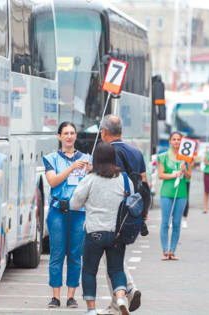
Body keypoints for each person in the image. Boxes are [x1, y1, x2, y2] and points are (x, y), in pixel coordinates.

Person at [70, 142, 133, 315]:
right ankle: (121, 296)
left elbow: (74, 204)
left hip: (94, 232)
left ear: (96, 159)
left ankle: (91, 309)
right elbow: (131, 201)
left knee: (89, 271)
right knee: (116, 269)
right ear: (113, 158)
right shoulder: (124, 179)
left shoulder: (90, 179)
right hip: (117, 232)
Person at [98, 115, 144, 315]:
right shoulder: (136, 151)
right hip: (133, 209)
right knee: (117, 253)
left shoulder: (107, 152)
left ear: (104, 132)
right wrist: (142, 213)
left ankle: (126, 293)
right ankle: (121, 297)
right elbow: (144, 183)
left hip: (112, 211)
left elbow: (104, 182)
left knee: (112, 256)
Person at [43, 121, 91, 308]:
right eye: (65, 133)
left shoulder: (87, 158)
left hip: (79, 212)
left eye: (72, 133)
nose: (69, 136)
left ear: (76, 136)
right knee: (57, 254)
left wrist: (89, 171)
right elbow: (53, 181)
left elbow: (91, 184)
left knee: (75, 255)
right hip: (58, 212)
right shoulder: (51, 158)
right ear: (59, 136)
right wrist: (72, 168)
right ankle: (55, 296)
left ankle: (71, 295)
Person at [158, 132, 192, 261]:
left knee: (177, 222)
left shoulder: (186, 157)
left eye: (179, 139)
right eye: (174, 139)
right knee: (165, 222)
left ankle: (172, 251)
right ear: (170, 141)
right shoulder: (163, 156)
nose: (176, 142)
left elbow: (189, 177)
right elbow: (161, 175)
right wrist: (174, 175)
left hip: (181, 193)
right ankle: (165, 250)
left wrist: (185, 170)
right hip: (167, 192)